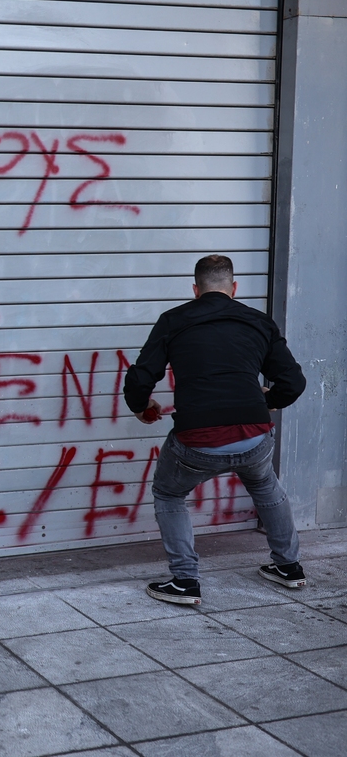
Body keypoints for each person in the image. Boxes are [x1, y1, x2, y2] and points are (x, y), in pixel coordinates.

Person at [123, 255, 307, 604]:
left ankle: (185, 581)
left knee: (169, 493)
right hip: (254, 435)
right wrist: (269, 401)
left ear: (196, 290)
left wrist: (141, 407)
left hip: (198, 439)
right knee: (265, 484)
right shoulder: (259, 322)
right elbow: (293, 382)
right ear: (234, 288)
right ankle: (289, 567)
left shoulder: (174, 320)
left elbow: (140, 378)